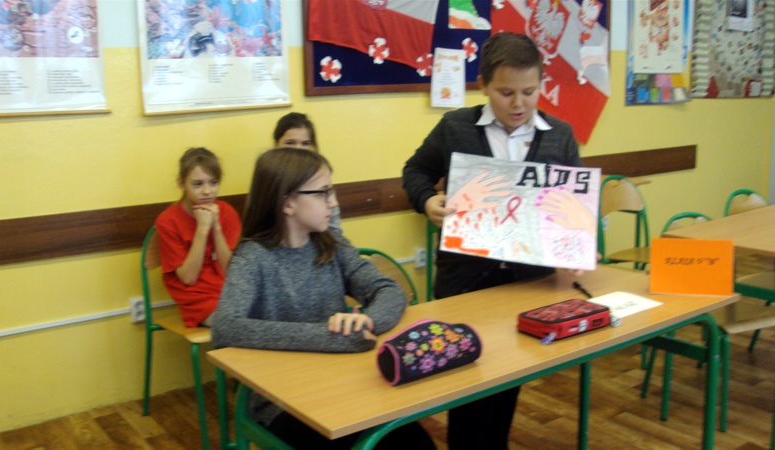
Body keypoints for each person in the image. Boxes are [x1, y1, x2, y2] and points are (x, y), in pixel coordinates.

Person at [402, 32, 584, 449]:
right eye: (505, 93)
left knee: (508, 379)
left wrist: (576, 240)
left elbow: (573, 204)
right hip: (465, 281)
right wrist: (427, 199)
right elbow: (415, 170)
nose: (518, 103)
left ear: (541, 84)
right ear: (483, 85)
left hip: (528, 283)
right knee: (469, 383)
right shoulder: (456, 127)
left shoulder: (560, 135)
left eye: (529, 91)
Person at [213, 147, 435, 450]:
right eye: (322, 193)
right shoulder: (253, 257)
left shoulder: (332, 244)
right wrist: (328, 337)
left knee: (414, 443)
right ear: (288, 203)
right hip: (280, 400)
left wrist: (366, 321)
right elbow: (225, 327)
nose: (333, 202)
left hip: (341, 382)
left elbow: (388, 290)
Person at [155, 147, 241, 327]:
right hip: (197, 301)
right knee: (237, 327)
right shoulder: (167, 220)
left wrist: (216, 227)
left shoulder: (226, 212)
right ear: (181, 184)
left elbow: (232, 272)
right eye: (197, 184)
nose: (207, 191)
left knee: (270, 316)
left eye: (213, 183)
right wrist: (202, 228)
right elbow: (189, 278)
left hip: (230, 293)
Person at [272, 112, 342, 230]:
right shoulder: (269, 181)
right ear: (276, 145)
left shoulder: (321, 181)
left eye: (305, 143)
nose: (298, 149)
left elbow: (334, 230)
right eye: (290, 143)